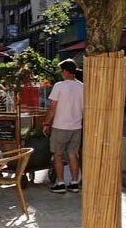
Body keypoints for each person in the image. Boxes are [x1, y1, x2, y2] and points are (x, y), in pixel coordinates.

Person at [43, 59, 84, 193]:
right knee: (73, 154)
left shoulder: (59, 86)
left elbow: (52, 108)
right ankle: (74, 182)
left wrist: (46, 123)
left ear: (66, 71)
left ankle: (60, 183)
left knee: (58, 155)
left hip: (60, 125)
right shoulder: (82, 87)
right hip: (76, 126)